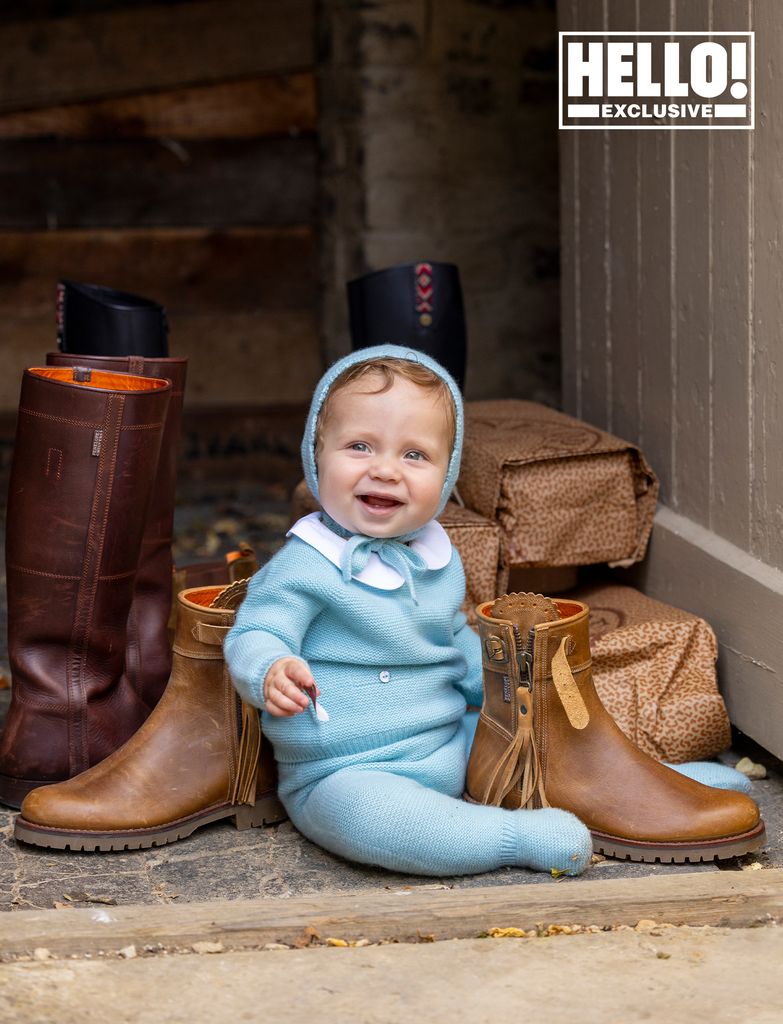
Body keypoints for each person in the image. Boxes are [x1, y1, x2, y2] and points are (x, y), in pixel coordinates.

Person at [225, 344, 748, 878]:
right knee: (372, 817)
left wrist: (509, 699)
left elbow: (454, 642)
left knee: (541, 743)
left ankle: (651, 782)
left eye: (414, 455)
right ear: (317, 455)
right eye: (359, 446)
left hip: (452, 742)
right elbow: (255, 630)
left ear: (447, 473)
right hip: (345, 770)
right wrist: (270, 669)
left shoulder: (436, 558)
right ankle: (511, 839)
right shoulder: (304, 564)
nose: (385, 470)